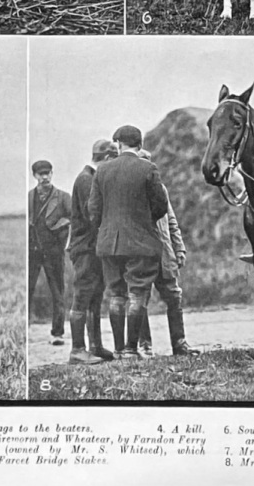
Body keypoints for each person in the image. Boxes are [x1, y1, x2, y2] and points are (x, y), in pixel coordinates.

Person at [88, 123, 171, 362]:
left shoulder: (102, 170)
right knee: (137, 295)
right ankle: (131, 350)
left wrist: (108, 227)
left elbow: (93, 210)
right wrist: (143, 222)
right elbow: (160, 206)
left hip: (109, 244)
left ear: (118, 144)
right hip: (140, 243)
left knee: (116, 295)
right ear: (140, 144)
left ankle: (117, 349)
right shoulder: (148, 168)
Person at [135, 148, 198, 359]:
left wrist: (179, 248)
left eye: (147, 163)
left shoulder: (160, 189)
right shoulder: (130, 194)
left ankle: (179, 344)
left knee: (174, 297)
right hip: (141, 256)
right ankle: (144, 345)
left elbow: (171, 221)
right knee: (140, 300)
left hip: (164, 254)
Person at [66, 139, 118, 367]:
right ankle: (77, 349)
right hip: (85, 248)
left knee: (95, 296)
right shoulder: (87, 179)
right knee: (83, 297)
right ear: (107, 159)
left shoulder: (91, 177)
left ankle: (95, 346)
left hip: (93, 247)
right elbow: (92, 215)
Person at [28, 160, 71, 346]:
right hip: (32, 251)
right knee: (27, 290)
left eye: (47, 173)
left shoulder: (63, 197)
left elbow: (72, 217)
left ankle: (58, 333)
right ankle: (25, 329)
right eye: (40, 174)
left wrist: (59, 231)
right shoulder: (29, 197)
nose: (44, 177)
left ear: (52, 174)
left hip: (53, 252)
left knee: (57, 291)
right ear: (34, 176)